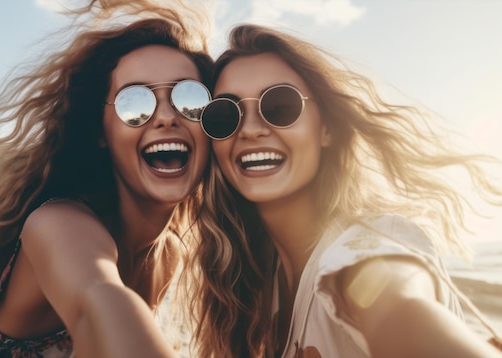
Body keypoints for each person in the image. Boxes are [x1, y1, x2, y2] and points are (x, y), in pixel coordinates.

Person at [190, 23, 502, 357]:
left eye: (280, 106)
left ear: (327, 129)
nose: (250, 129)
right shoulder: (257, 284)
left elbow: (399, 309)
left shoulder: (361, 252)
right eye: (226, 114)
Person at [0, 1, 214, 357]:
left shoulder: (168, 255)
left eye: (189, 98)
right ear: (101, 131)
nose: (165, 117)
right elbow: (96, 304)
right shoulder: (57, 224)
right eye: (134, 103)